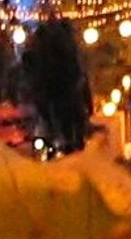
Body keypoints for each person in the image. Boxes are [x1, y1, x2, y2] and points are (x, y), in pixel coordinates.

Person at [22, 17, 92, 154]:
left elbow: (30, 67)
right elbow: (76, 68)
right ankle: (73, 141)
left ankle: (58, 141)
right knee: (70, 115)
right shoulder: (67, 46)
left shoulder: (40, 48)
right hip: (64, 86)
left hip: (49, 88)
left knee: (54, 116)